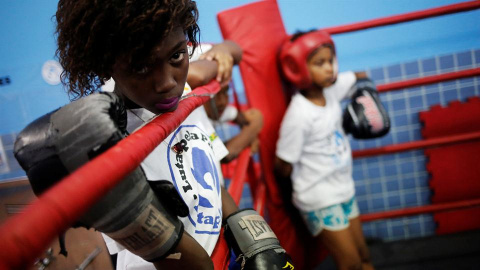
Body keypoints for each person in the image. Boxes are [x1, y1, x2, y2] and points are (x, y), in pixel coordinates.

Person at [15, 1, 293, 270]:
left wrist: (253, 238)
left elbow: (206, 177)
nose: (167, 83)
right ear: (105, 65)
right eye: (141, 67)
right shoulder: (102, 136)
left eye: (176, 56)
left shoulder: (182, 96)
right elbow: (181, 260)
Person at [275, 30, 378, 270]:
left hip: (344, 189)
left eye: (330, 60)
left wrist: (367, 95)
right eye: (319, 63)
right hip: (320, 198)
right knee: (350, 264)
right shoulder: (299, 114)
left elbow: (358, 76)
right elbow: (282, 164)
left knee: (364, 256)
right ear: (298, 68)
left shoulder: (331, 90)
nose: (330, 68)